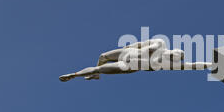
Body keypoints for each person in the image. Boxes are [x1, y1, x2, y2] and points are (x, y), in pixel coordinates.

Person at [59, 39, 212, 82]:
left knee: (97, 69)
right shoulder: (159, 43)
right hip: (128, 52)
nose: (171, 57)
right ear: (172, 51)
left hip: (127, 65)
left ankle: (74, 75)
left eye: (174, 58)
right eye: (173, 54)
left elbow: (191, 66)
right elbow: (141, 44)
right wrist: (129, 47)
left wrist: (209, 64)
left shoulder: (164, 64)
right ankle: (94, 76)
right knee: (103, 56)